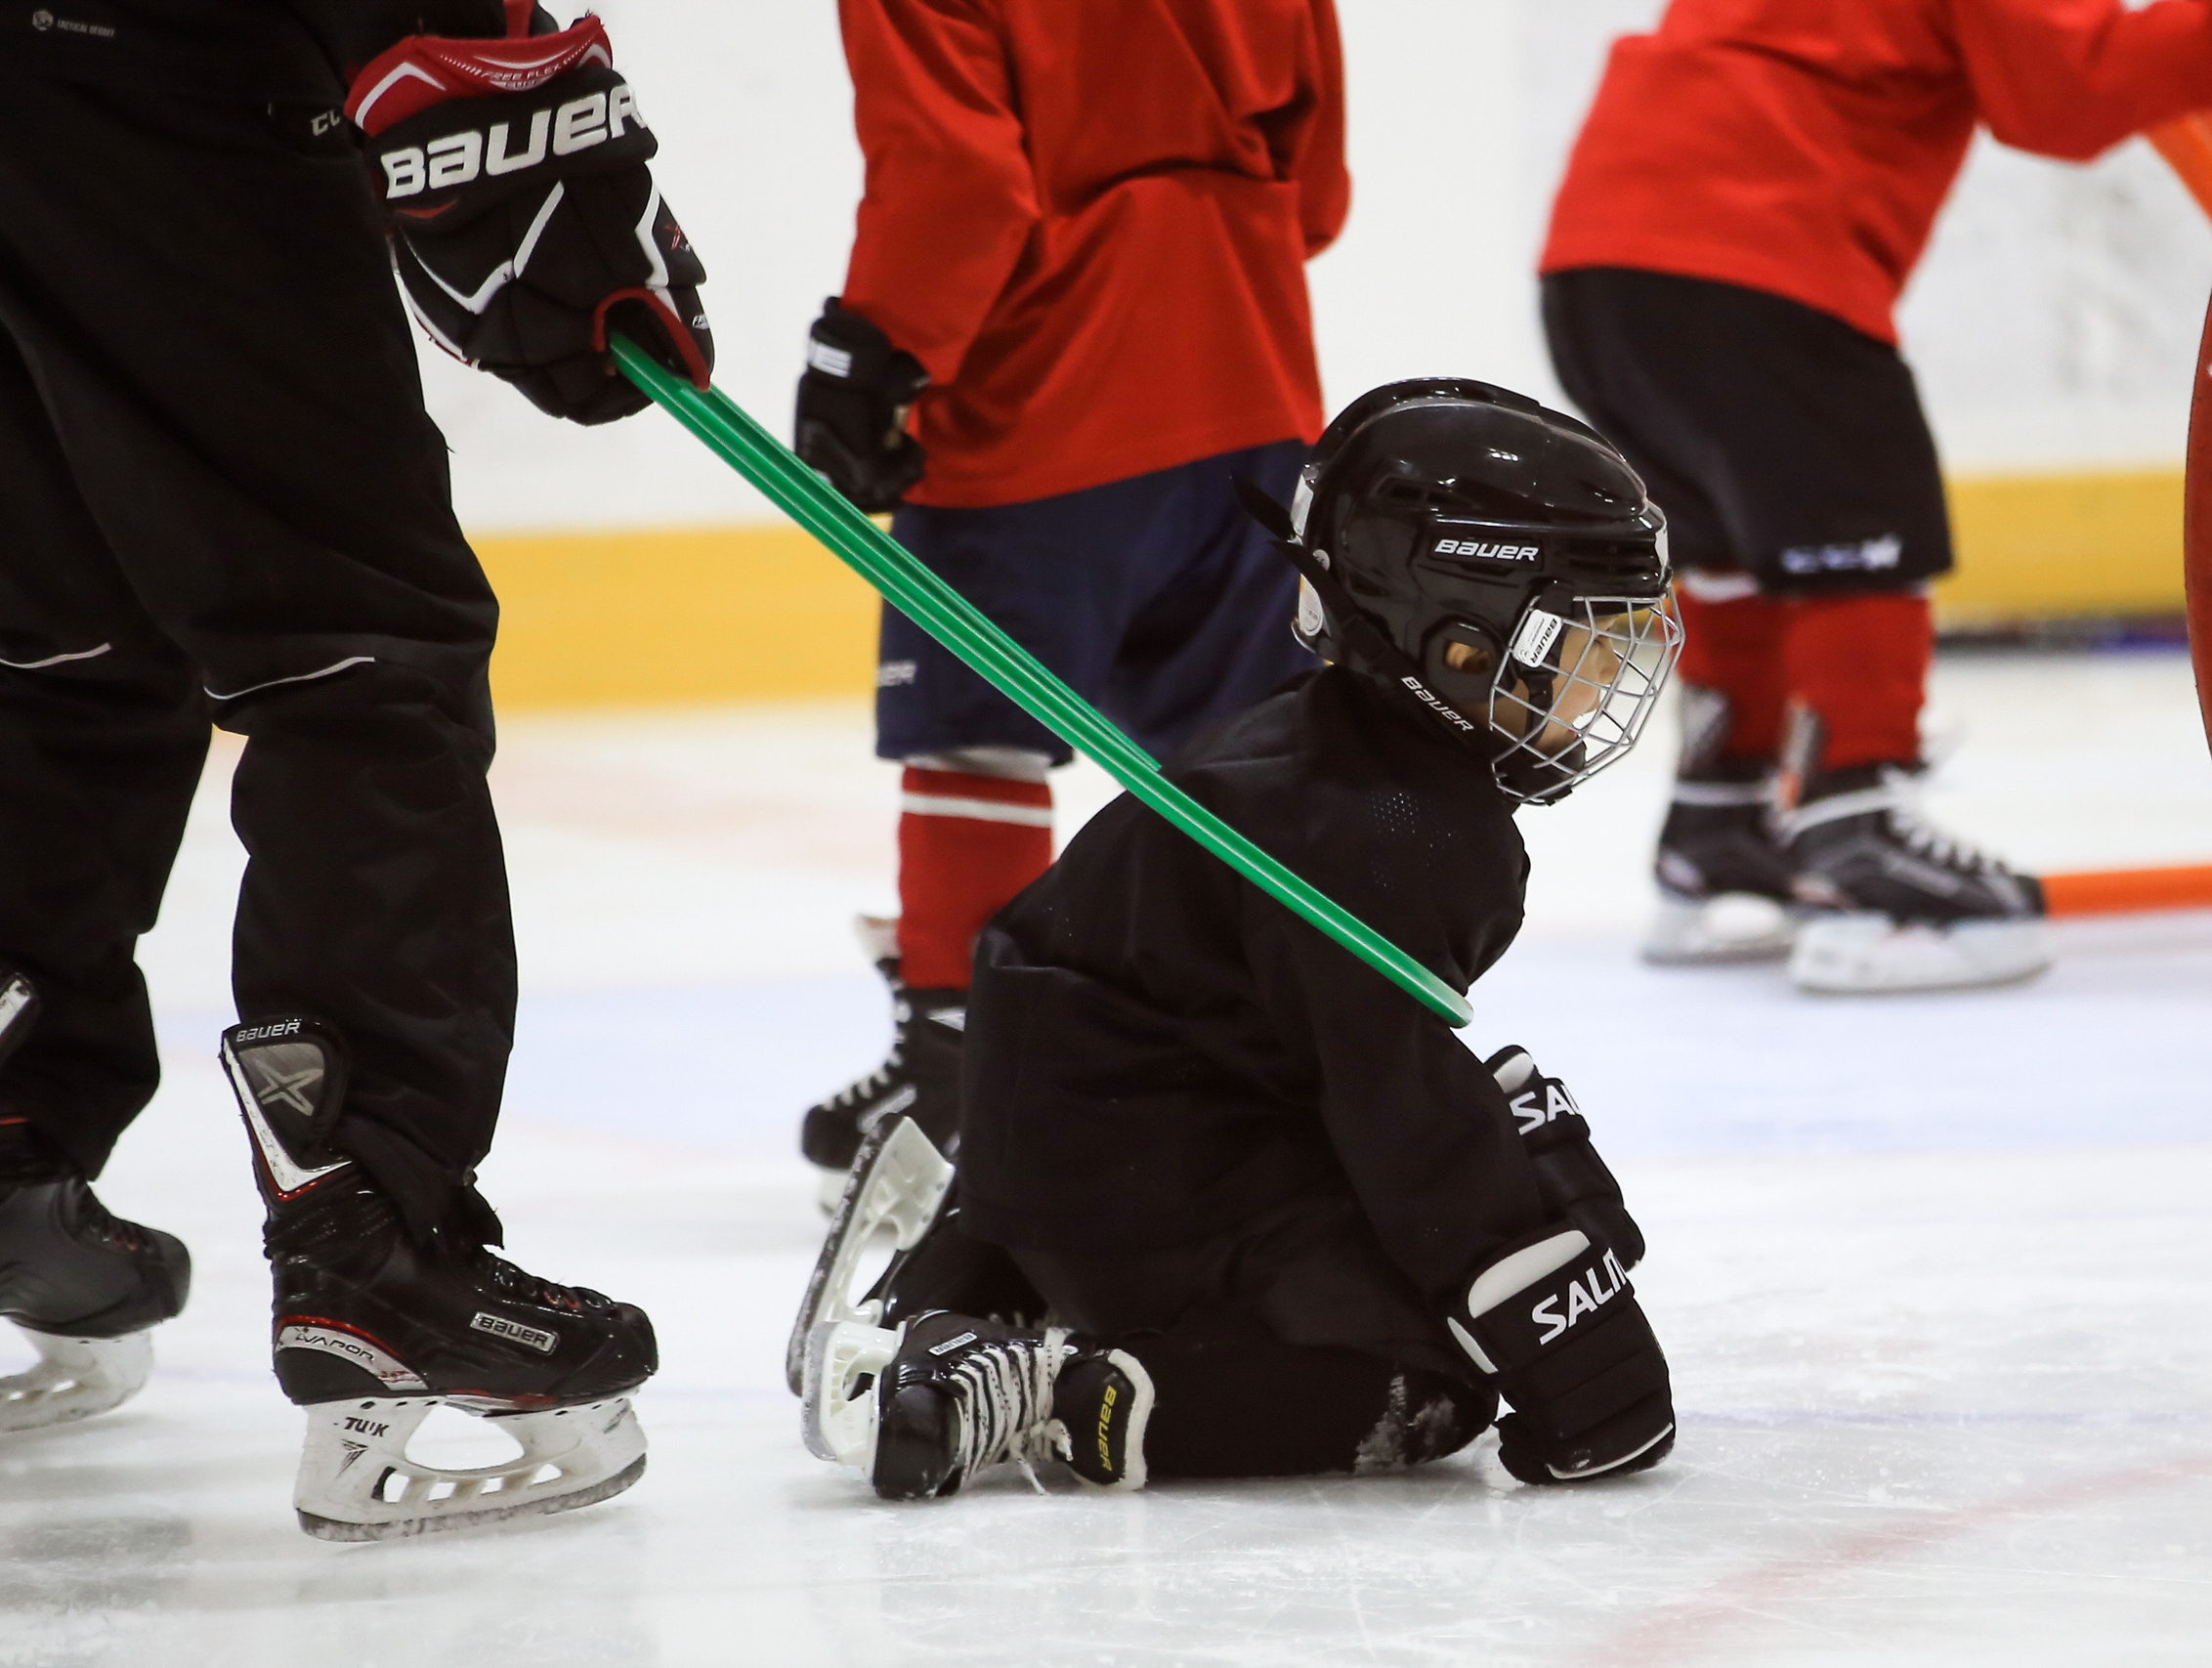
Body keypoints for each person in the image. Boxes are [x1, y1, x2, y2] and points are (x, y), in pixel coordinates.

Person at [0, 0, 708, 1539]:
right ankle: (370, 1245)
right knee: (352, 650)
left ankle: (4, 1119)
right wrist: (529, 140)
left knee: (63, 641)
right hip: (150, 68)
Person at [790, 382, 1681, 1498]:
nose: (1612, 679)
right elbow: (1400, 1117)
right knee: (1432, 1375)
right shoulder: (1398, 828)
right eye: (1584, 640)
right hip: (1134, 1170)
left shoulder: (1328, 753)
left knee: (1520, 1142)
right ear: (1456, 639)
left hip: (1067, 1138)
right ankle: (1043, 1392)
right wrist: (1571, 1353)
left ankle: (960, 1286)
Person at [1539, 0, 2212, 993]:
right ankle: (1865, 849)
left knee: (1731, 552)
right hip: (1756, 263)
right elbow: (2065, 94)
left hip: (1596, 270)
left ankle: (1718, 838)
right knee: (1861, 536)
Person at [788, 0, 1348, 1186]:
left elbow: (955, 178)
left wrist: (877, 352)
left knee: (975, 748)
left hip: (1039, 399)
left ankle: (962, 1081)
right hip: (1247, 377)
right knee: (1246, 759)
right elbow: (1320, 184)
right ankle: (1269, 1059)